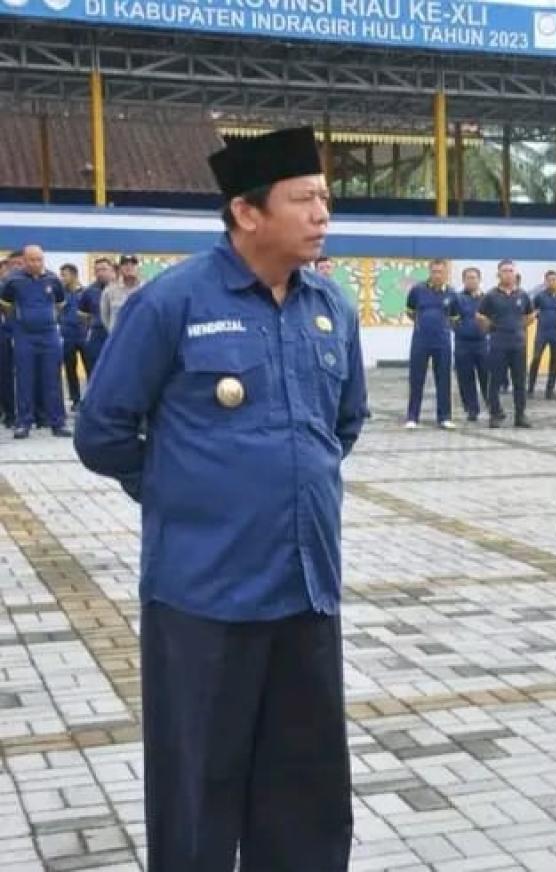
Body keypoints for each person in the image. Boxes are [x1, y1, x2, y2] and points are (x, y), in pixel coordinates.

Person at [74, 126, 367, 871]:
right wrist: (181, 490)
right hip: (204, 596)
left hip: (305, 589)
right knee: (198, 798)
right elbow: (102, 431)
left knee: (306, 798)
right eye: (303, 199)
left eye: (325, 198)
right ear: (246, 211)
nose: (322, 214)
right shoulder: (172, 303)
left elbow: (344, 423)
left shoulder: (331, 306)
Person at [0, 245, 70, 439]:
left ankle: (57, 423)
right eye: (32, 260)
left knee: (52, 379)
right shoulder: (13, 281)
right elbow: (6, 306)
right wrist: (20, 323)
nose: (36, 263)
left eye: (39, 259)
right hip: (24, 337)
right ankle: (24, 423)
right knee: (24, 379)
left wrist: (47, 320)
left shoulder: (53, 280)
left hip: (49, 335)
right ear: (24, 261)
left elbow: (60, 305)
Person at [479, 259, 533, 429]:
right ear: (498, 274)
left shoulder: (523, 295)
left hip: (518, 346)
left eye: (511, 271)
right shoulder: (490, 296)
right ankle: (495, 415)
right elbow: (480, 315)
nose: (508, 274)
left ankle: (520, 415)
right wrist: (490, 327)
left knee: (520, 382)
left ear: (515, 274)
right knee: (494, 381)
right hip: (498, 345)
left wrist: (519, 328)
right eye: (505, 271)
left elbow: (529, 315)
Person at [404, 258, 456, 430]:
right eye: (434, 271)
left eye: (440, 272)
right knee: (416, 379)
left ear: (446, 273)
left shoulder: (452, 293)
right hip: (421, 340)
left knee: (444, 379)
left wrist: (442, 328)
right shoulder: (417, 290)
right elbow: (411, 312)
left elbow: (454, 317)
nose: (437, 275)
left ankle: (444, 417)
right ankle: (412, 416)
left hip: (442, 342)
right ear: (429, 272)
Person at [449, 266, 488, 423]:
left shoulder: (487, 299)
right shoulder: (457, 299)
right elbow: (451, 319)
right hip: (463, 344)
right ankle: (471, 409)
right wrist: (460, 330)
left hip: (482, 344)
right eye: (468, 278)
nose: (471, 280)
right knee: (465, 378)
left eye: (474, 277)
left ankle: (492, 407)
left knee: (487, 377)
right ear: (463, 280)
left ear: (479, 280)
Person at [528, 270, 556, 400]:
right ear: (545, 281)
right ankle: (530, 389)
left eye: (554, 280)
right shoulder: (539, 297)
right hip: (542, 332)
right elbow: (532, 312)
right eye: (549, 280)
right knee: (536, 358)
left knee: (555, 361)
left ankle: (550, 390)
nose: (552, 282)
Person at [58, 263, 89, 411]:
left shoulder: (86, 293)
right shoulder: (60, 294)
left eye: (64, 275)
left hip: (83, 335)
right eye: (61, 275)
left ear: (74, 275)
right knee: (70, 370)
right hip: (67, 336)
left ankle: (91, 399)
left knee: (90, 368)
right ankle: (75, 399)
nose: (62, 278)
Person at [79, 257, 115, 374]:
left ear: (112, 270)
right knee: (95, 372)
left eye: (104, 269)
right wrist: (88, 332)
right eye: (97, 270)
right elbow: (83, 315)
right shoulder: (89, 291)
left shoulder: (121, 289)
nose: (100, 273)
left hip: (116, 334)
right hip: (97, 336)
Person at [100, 254, 143, 333]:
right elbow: (105, 317)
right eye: (125, 264)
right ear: (119, 269)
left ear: (139, 267)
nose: (129, 267)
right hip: (118, 336)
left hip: (140, 335)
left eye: (133, 264)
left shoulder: (146, 288)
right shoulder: (109, 290)